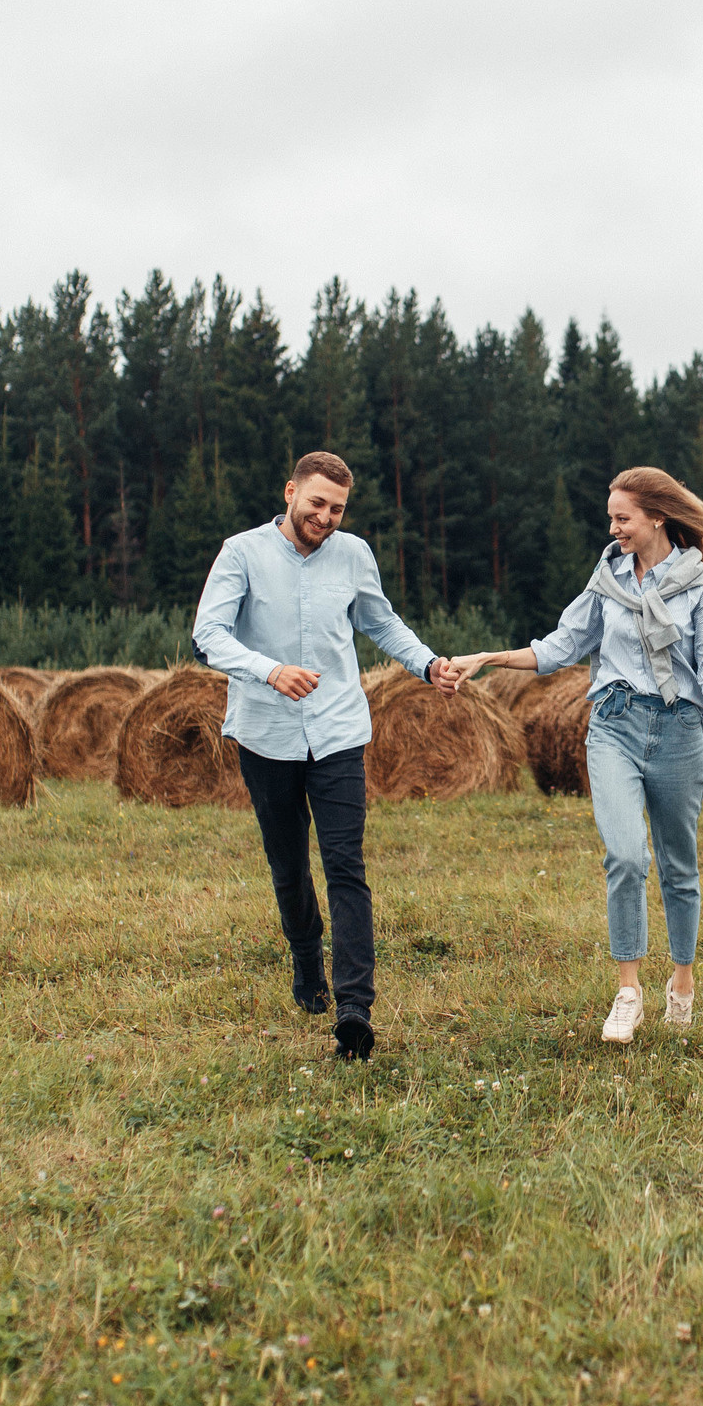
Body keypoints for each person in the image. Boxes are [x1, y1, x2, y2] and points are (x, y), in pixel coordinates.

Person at [457, 467, 703, 1044]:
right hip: (614, 725)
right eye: (612, 518)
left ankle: (683, 983)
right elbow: (560, 647)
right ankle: (628, 991)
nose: (613, 528)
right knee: (624, 857)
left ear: (657, 518)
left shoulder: (700, 588)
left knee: (678, 866)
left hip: (679, 731)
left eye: (623, 518)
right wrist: (487, 658)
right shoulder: (607, 580)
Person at [191, 451, 463, 1061]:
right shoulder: (242, 552)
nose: (326, 517)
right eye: (316, 503)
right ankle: (305, 958)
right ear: (290, 492)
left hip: (340, 730)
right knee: (289, 867)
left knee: (345, 864)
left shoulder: (354, 554)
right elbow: (208, 634)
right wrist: (270, 671)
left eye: (337, 508)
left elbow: (381, 621)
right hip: (266, 734)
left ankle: (354, 1008)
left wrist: (427, 664)